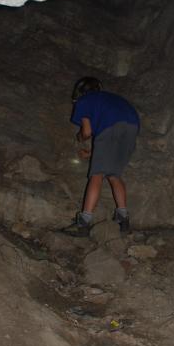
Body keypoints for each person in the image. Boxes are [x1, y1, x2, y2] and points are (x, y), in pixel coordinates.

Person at [62, 76, 140, 237]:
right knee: (114, 174)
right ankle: (123, 218)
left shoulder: (84, 101)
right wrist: (92, 154)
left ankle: (84, 222)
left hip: (111, 127)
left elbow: (87, 132)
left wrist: (80, 137)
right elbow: (110, 143)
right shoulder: (110, 99)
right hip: (132, 126)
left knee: (97, 174)